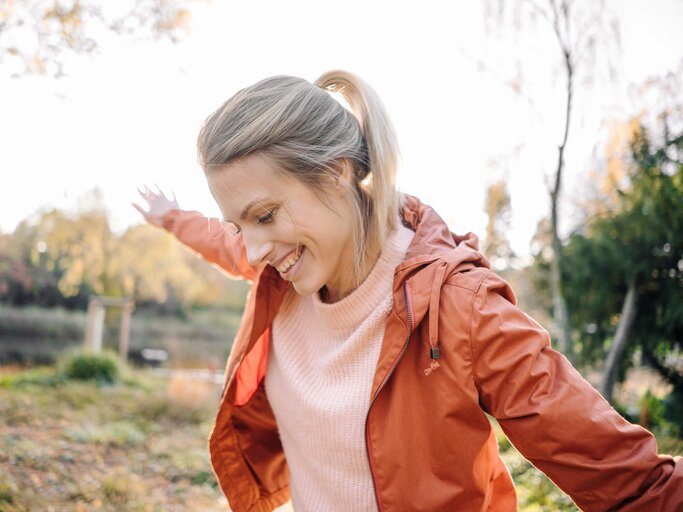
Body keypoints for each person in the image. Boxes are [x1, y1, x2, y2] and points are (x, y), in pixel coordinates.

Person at [134, 71, 683, 512]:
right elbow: (221, 241)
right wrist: (170, 218)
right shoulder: (282, 270)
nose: (251, 251)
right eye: (239, 226)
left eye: (266, 215)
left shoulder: (460, 308)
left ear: (337, 173)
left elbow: (632, 486)